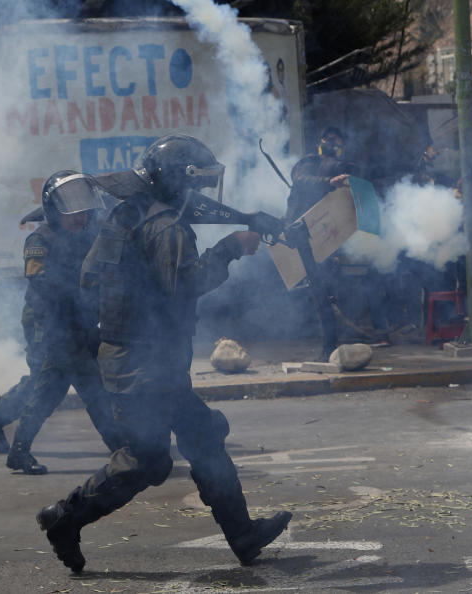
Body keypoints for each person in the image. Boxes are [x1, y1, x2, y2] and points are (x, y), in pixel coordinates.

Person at [36, 135, 292, 574]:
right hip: (146, 366)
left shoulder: (127, 213)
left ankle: (243, 534)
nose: (199, 195)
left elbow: (89, 277)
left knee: (193, 440)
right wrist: (233, 246)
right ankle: (65, 518)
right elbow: (186, 284)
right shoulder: (165, 227)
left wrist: (247, 219)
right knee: (153, 458)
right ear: (177, 181)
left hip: (130, 357)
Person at [0, 171, 124, 474]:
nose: (80, 216)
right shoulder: (40, 239)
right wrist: (84, 289)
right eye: (72, 210)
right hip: (48, 324)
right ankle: (121, 450)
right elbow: (41, 280)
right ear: (54, 210)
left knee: (57, 386)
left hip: (78, 325)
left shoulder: (88, 236)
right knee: (56, 387)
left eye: (84, 208)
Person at [284, 126, 360, 359]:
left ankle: (331, 344)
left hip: (324, 235)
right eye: (331, 140)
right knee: (319, 290)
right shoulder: (308, 162)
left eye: (338, 141)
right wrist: (330, 181)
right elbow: (301, 180)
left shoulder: (340, 167)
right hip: (303, 233)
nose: (334, 145)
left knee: (325, 290)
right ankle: (329, 346)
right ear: (322, 141)